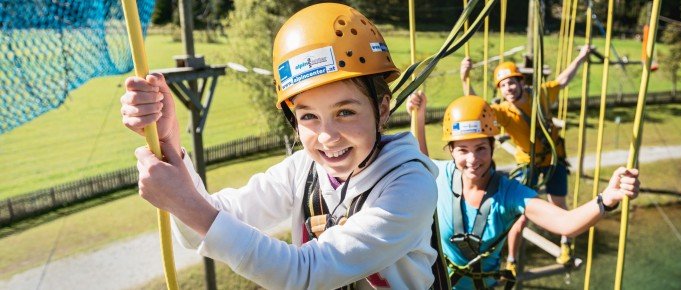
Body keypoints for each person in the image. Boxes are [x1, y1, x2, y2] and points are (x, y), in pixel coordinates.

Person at [120, 3, 446, 289]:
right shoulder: (304, 170)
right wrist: (170, 144)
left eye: (345, 112)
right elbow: (200, 229)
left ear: (382, 109)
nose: (327, 136)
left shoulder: (409, 185)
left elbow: (306, 274)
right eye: (309, 116)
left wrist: (187, 204)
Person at [406, 92, 640, 289]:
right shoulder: (442, 176)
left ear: (492, 147)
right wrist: (418, 115)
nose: (473, 159)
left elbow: (565, 223)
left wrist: (605, 200)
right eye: (463, 150)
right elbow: (419, 158)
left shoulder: (509, 194)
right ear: (451, 151)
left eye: (480, 148)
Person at [459, 46, 593, 269]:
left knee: (559, 205)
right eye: (503, 85)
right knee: (519, 214)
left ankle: (566, 245)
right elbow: (478, 108)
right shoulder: (504, 111)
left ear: (521, 83)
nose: (508, 88)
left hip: (553, 160)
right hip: (528, 162)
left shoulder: (540, 96)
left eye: (512, 83)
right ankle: (512, 260)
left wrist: (580, 57)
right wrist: (465, 78)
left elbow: (563, 80)